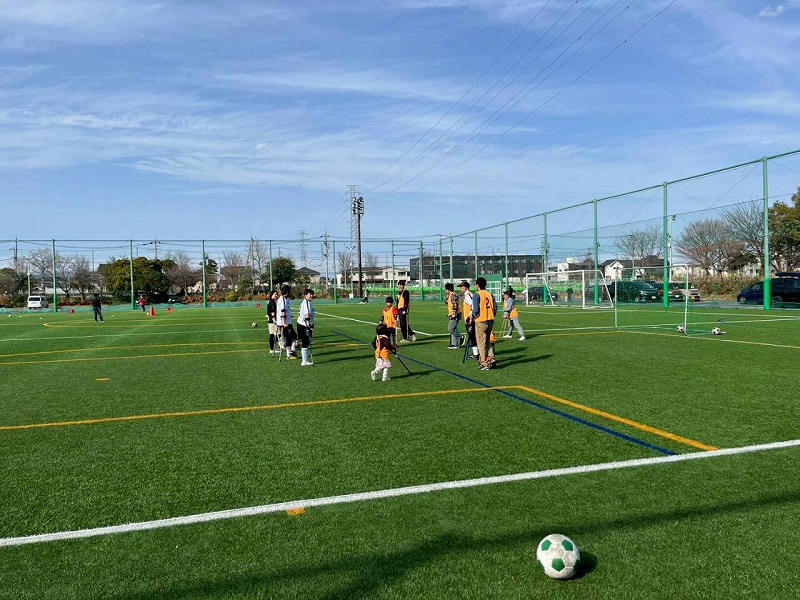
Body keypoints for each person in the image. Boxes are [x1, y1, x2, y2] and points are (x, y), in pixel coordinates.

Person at [471, 276, 497, 371]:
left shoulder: (477, 295)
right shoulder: (489, 294)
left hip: (481, 320)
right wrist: (492, 315)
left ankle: (484, 362)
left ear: (477, 285)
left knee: (481, 343)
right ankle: (492, 358)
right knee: (487, 341)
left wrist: (474, 316)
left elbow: (476, 309)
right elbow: (495, 307)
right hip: (490, 320)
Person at [275, 285, 298, 360]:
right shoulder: (282, 300)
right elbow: (283, 312)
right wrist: (284, 323)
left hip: (287, 321)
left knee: (293, 337)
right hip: (285, 323)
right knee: (290, 337)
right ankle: (289, 354)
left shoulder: (285, 299)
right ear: (287, 292)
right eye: (290, 291)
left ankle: (292, 351)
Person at [459, 281, 479, 360]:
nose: (460, 289)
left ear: (465, 287)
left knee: (472, 335)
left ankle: (476, 353)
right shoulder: (467, 295)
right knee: (472, 335)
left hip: (470, 319)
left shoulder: (468, 295)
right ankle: (476, 352)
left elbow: (474, 306)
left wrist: (470, 316)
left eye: (461, 287)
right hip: (469, 319)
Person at [296, 288, 315, 366]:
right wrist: (308, 326)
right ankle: (304, 361)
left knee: (307, 341)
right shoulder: (306, 303)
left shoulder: (308, 302)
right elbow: (306, 315)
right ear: (305, 295)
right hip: (303, 325)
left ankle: (305, 360)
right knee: (305, 342)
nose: (311, 296)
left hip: (304, 324)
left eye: (312, 294)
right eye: (310, 294)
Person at [444, 282, 460, 349]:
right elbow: (446, 302)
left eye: (446, 289)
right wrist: (446, 296)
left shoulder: (453, 295)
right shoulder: (450, 295)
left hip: (455, 314)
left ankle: (460, 337)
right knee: (453, 328)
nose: (445, 291)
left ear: (448, 289)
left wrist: (453, 313)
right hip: (452, 314)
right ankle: (454, 344)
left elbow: (455, 305)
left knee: (451, 328)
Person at [266, 290, 279, 356]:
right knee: (276, 334)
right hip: (272, 321)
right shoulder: (271, 302)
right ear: (271, 295)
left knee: (273, 335)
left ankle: (272, 348)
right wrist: (275, 321)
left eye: (277, 294)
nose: (276, 295)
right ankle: (272, 349)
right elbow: (272, 312)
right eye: (275, 294)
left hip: (271, 321)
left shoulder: (272, 301)